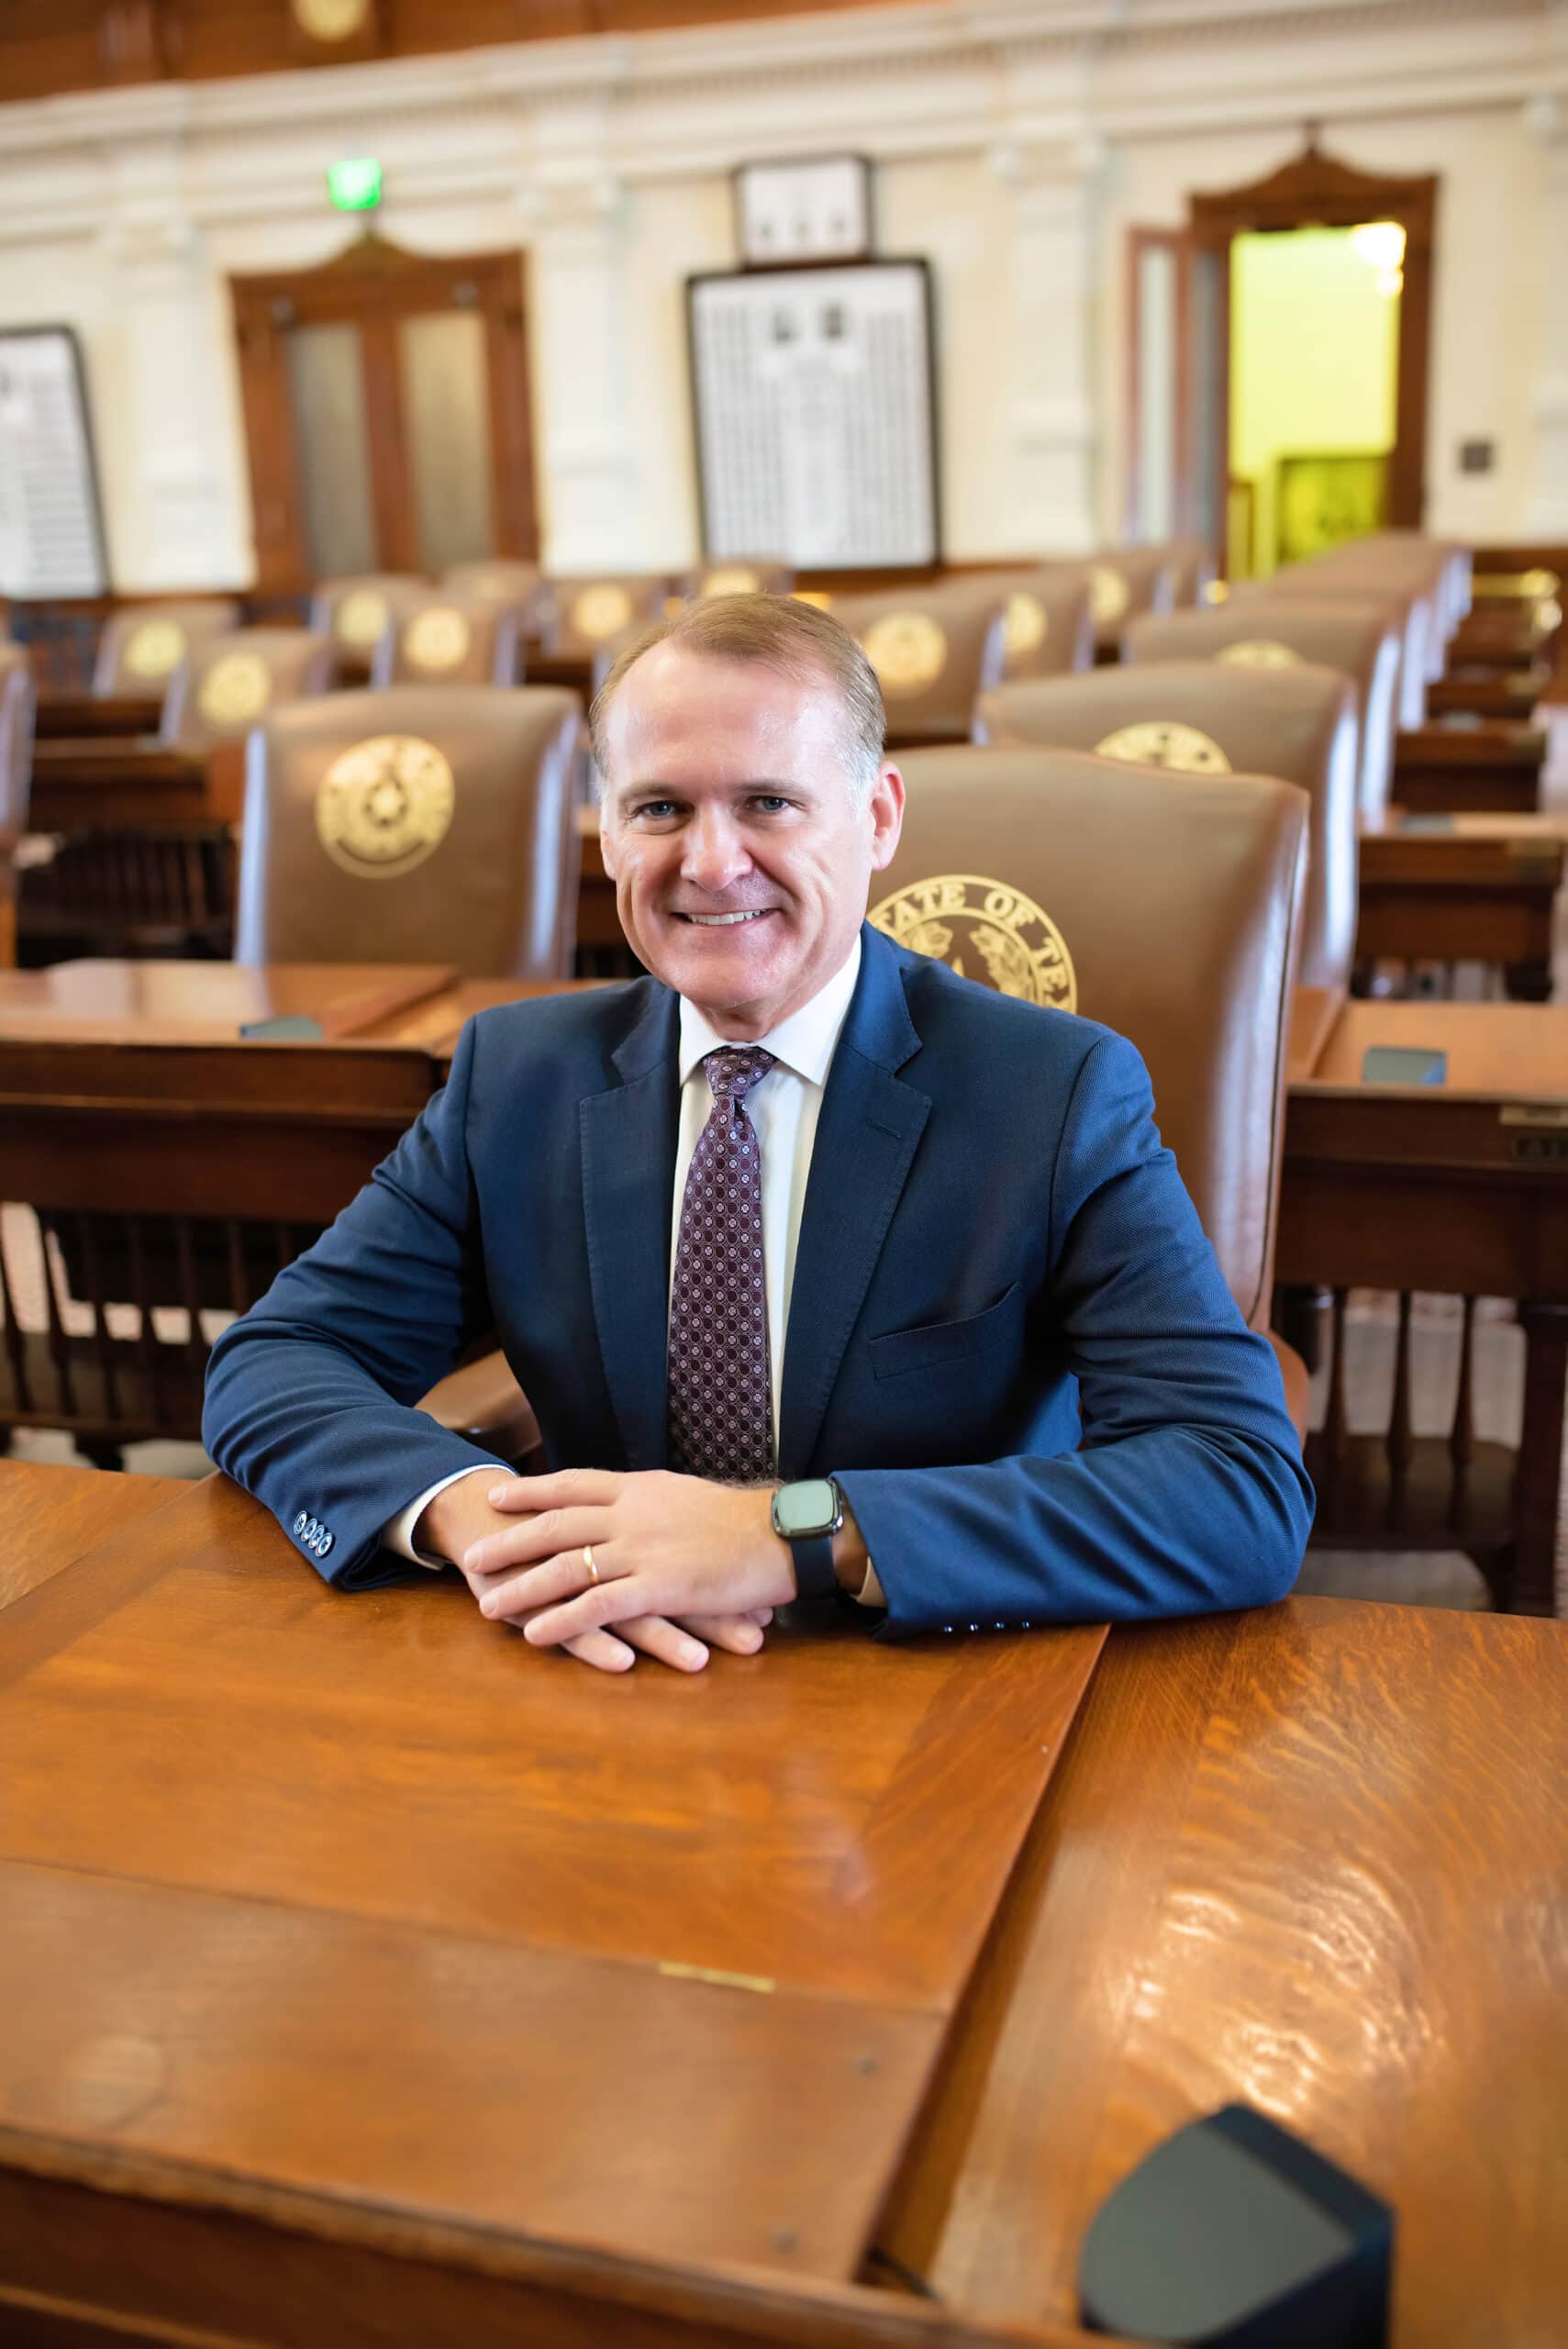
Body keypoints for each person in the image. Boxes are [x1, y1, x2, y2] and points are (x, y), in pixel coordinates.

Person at [204, 595, 1312, 1671]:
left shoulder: (1053, 1092)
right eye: (659, 808)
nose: (710, 862)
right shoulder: (518, 1077)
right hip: (608, 1674)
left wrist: (786, 1533)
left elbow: (1234, 1482)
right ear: (605, 835)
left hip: (930, 1687)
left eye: (770, 803)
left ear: (876, 818)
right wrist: (482, 1518)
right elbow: (276, 1359)